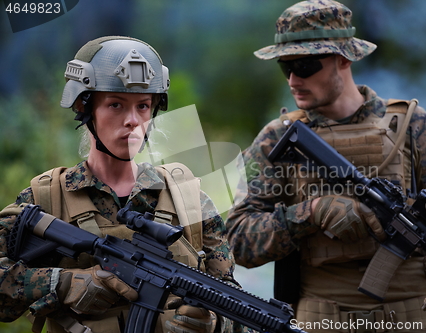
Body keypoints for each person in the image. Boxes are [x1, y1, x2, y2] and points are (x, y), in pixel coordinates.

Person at [226, 1, 426, 332]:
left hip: (416, 317)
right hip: (323, 320)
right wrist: (312, 212)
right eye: (285, 67)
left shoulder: (410, 125)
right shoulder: (277, 139)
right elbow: (239, 241)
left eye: (305, 65)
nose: (293, 80)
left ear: (344, 58)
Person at [0, 36, 243, 333]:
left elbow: (235, 299)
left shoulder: (189, 199)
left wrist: (216, 323)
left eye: (143, 106)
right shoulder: (47, 198)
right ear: (84, 108)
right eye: (116, 105)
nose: (132, 121)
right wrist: (63, 283)